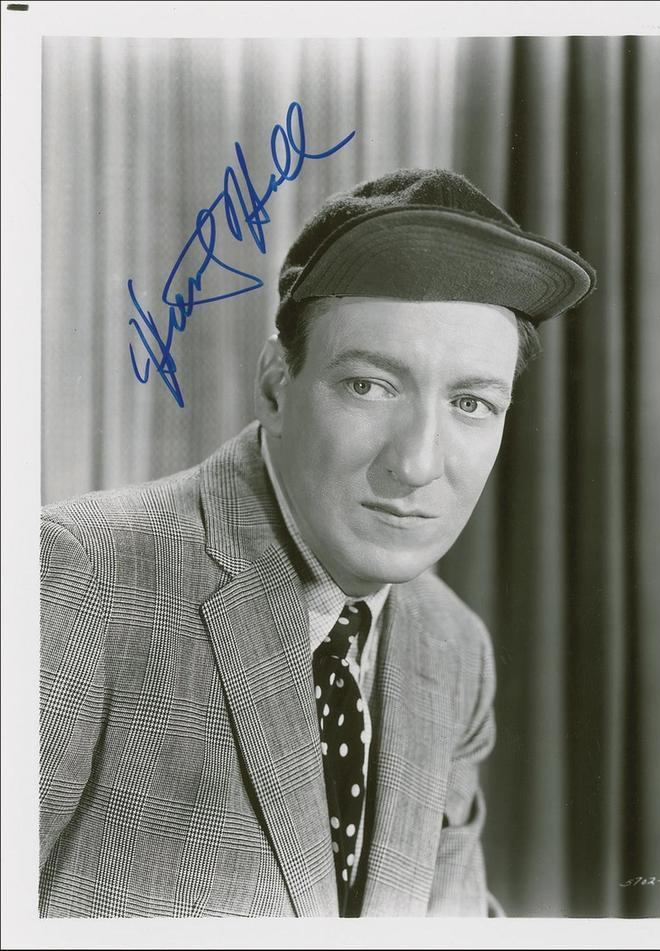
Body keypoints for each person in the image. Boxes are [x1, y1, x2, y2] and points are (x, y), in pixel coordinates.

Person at [39, 168, 596, 917]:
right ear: (276, 386)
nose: (419, 462)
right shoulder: (78, 576)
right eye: (371, 385)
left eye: (472, 402)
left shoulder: (453, 647)